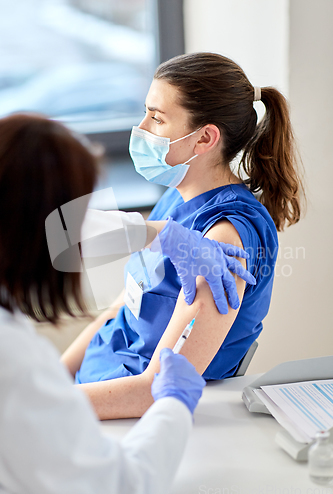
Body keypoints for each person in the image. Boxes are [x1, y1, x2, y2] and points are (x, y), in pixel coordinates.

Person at [62, 52, 305, 421]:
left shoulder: (227, 237)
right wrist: (56, 375)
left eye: (156, 118)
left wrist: (42, 403)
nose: (141, 128)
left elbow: (153, 391)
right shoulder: (175, 197)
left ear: (204, 138)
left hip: (125, 419)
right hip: (86, 393)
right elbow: (121, 309)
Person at [0, 112, 208, 494]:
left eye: (157, 117)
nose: (142, 128)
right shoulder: (12, 360)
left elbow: (51, 227)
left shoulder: (224, 218)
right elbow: (120, 488)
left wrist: (160, 234)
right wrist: (173, 406)